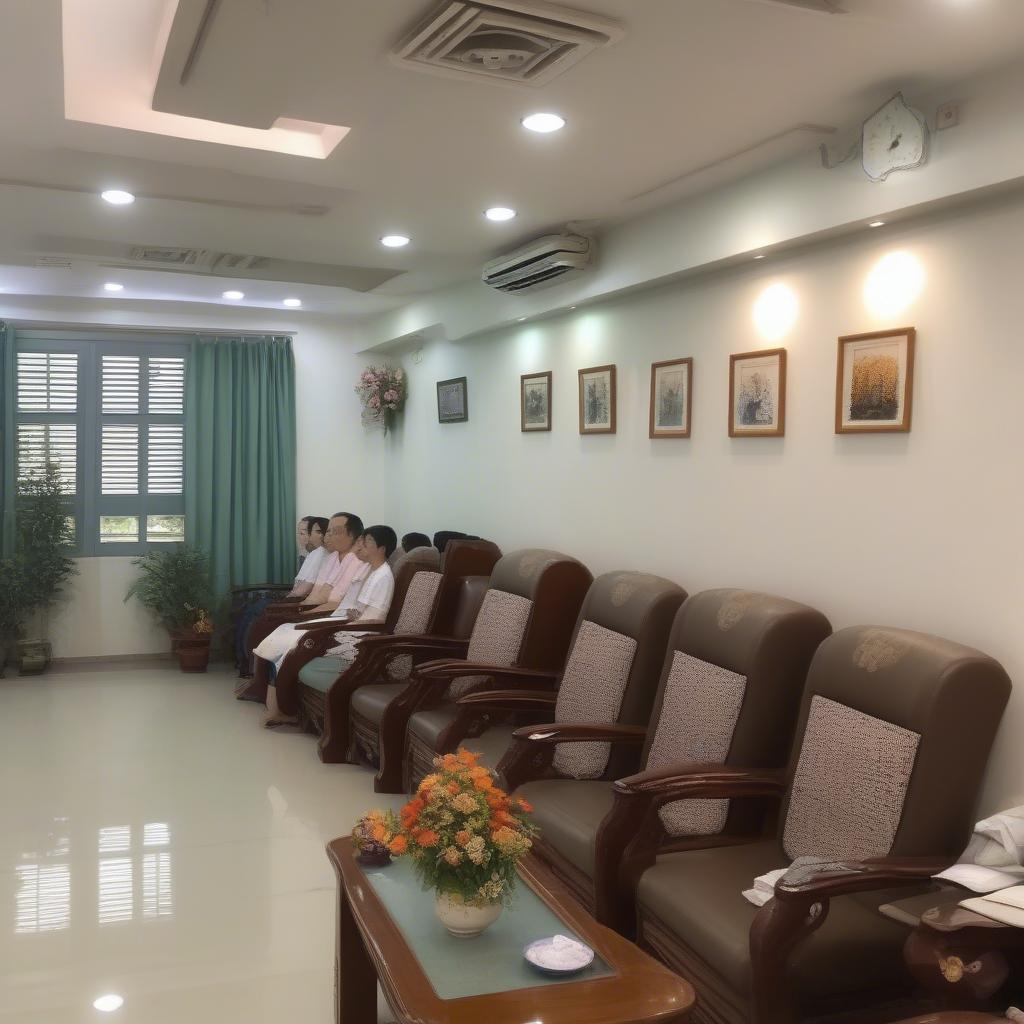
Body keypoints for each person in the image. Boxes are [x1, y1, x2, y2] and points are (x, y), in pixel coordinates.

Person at [262, 525, 397, 727]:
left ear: (382, 548)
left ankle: (284, 709)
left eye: (366, 542)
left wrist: (348, 622)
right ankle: (279, 707)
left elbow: (376, 620)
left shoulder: (384, 576)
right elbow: (360, 610)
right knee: (286, 640)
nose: (361, 546)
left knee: (296, 645)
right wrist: (351, 617)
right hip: (348, 625)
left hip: (360, 637)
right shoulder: (372, 570)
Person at [249, 513, 365, 682]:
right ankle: (259, 683)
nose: (329, 535)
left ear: (354, 536)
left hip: (332, 616)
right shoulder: (333, 557)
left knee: (274, 624)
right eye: (329, 531)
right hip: (316, 608)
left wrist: (301, 612)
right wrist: (300, 607)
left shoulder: (355, 560)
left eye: (335, 531)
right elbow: (319, 592)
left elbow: (333, 601)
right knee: (266, 620)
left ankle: (270, 689)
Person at [234, 515, 328, 674]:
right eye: (301, 532)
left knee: (257, 609)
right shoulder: (312, 554)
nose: (303, 537)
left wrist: (284, 601)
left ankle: (246, 663)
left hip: (299, 602)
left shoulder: (321, 554)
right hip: (294, 598)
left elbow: (305, 589)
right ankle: (244, 660)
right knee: (250, 609)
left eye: (307, 532)